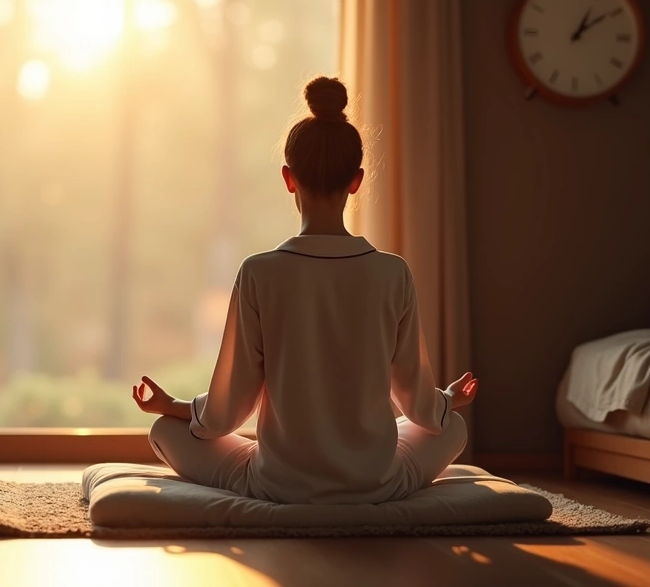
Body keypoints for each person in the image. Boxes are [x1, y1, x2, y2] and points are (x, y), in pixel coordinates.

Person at [131, 76, 478, 505]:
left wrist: (175, 407)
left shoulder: (259, 273)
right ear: (357, 180)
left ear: (288, 179)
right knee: (453, 426)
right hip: (377, 483)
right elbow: (419, 407)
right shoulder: (394, 273)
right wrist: (447, 400)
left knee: (163, 432)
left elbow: (227, 411)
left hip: (279, 485)